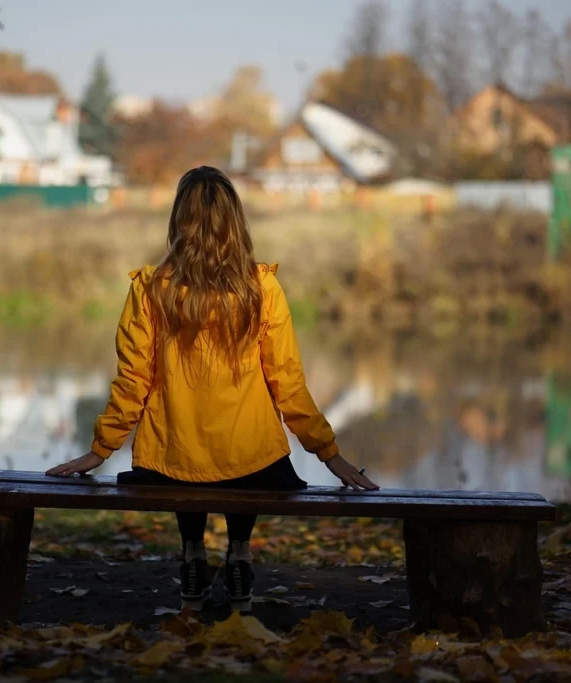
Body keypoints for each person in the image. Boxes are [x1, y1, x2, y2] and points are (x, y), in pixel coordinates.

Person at [47, 166, 378, 612]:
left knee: (184, 457)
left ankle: (192, 552)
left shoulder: (151, 290)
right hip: (256, 467)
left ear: (177, 220)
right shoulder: (262, 289)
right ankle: (239, 552)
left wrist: (100, 450)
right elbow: (288, 382)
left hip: (169, 467)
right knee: (247, 455)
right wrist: (329, 453)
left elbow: (132, 381)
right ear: (235, 222)